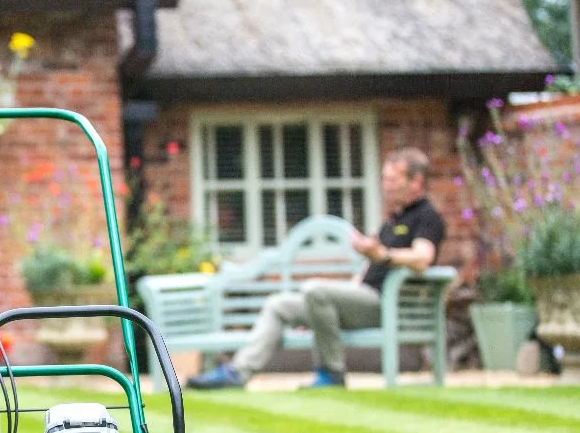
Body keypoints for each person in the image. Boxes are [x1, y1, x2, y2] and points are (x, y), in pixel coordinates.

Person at [186, 147, 446, 390]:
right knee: (279, 305)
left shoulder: (426, 216)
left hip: (390, 304)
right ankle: (237, 373)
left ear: (416, 181)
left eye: (393, 179)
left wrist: (383, 254)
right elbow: (369, 268)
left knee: (315, 290)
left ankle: (332, 372)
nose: (386, 185)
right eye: (384, 179)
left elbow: (423, 257)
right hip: (363, 299)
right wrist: (320, 307)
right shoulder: (394, 219)